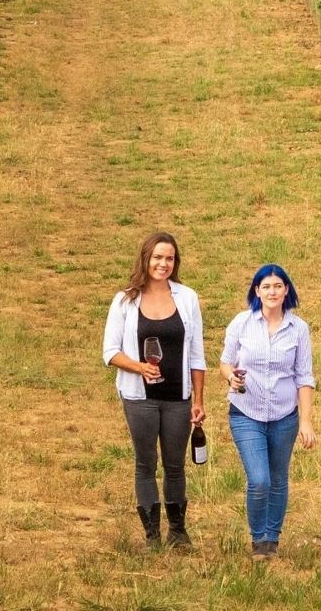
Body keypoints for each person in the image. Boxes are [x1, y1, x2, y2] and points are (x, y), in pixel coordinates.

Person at [102, 231, 206, 548]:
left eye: (169, 258)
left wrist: (198, 400)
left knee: (175, 465)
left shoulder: (187, 298)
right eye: (158, 257)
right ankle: (152, 536)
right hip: (139, 398)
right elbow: (110, 352)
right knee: (145, 463)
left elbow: (198, 355)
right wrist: (140, 367)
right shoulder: (125, 300)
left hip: (179, 397)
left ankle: (178, 532)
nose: (163, 263)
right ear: (146, 259)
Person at [219, 263, 316, 561]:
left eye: (277, 286)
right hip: (246, 411)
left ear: (286, 290)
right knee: (259, 479)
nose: (272, 291)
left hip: (284, 415)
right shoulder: (241, 323)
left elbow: (304, 376)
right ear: (256, 291)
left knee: (278, 478)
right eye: (266, 287)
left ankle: (270, 540)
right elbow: (224, 362)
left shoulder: (298, 329)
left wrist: (306, 421)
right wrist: (230, 376)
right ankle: (257, 536)